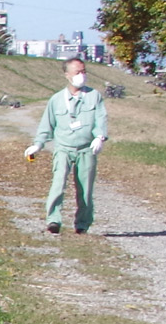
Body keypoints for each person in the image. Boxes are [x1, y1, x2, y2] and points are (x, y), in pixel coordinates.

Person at [26, 57, 108, 234]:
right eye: (78, 72)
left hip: (86, 149)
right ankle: (53, 220)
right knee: (58, 183)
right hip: (63, 148)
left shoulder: (94, 96)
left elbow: (101, 119)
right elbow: (46, 125)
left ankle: (82, 224)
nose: (82, 75)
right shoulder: (56, 100)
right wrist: (38, 145)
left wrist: (99, 137)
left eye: (84, 71)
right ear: (67, 75)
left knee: (85, 189)